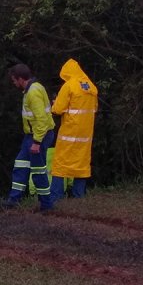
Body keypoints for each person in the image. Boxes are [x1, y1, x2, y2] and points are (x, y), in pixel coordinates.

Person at [3, 64, 55, 211]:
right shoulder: (35, 88)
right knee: (20, 165)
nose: (13, 83)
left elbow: (42, 120)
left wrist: (37, 142)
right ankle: (14, 200)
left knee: (38, 171)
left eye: (14, 80)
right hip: (32, 136)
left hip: (39, 136)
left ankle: (46, 205)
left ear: (20, 79)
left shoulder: (32, 92)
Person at [50, 59, 98, 201]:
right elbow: (94, 109)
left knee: (60, 163)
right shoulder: (91, 87)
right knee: (82, 163)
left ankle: (56, 196)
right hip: (86, 134)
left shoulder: (69, 86)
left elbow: (58, 109)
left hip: (69, 133)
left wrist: (53, 105)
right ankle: (79, 196)